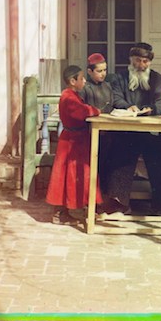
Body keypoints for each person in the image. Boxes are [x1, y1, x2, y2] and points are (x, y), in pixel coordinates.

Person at [103, 42, 161, 215]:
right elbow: (116, 99)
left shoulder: (156, 79)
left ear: (150, 62)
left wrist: (150, 110)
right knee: (119, 154)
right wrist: (128, 107)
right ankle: (119, 203)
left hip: (149, 130)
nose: (141, 65)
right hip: (126, 131)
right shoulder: (120, 78)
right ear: (131, 60)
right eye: (138, 60)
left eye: (145, 61)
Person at [46, 65, 103, 225]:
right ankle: (60, 213)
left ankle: (80, 207)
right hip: (71, 142)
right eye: (81, 78)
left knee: (77, 175)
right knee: (67, 175)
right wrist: (95, 110)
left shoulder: (72, 95)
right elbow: (81, 111)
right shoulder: (68, 97)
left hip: (77, 140)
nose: (84, 81)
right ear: (72, 81)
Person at [79, 53, 114, 196]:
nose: (103, 74)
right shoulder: (85, 88)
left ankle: (103, 197)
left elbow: (111, 105)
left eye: (105, 70)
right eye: (99, 71)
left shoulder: (108, 87)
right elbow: (81, 110)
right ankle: (90, 198)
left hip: (108, 133)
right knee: (92, 166)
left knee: (106, 164)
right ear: (89, 71)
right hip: (90, 133)